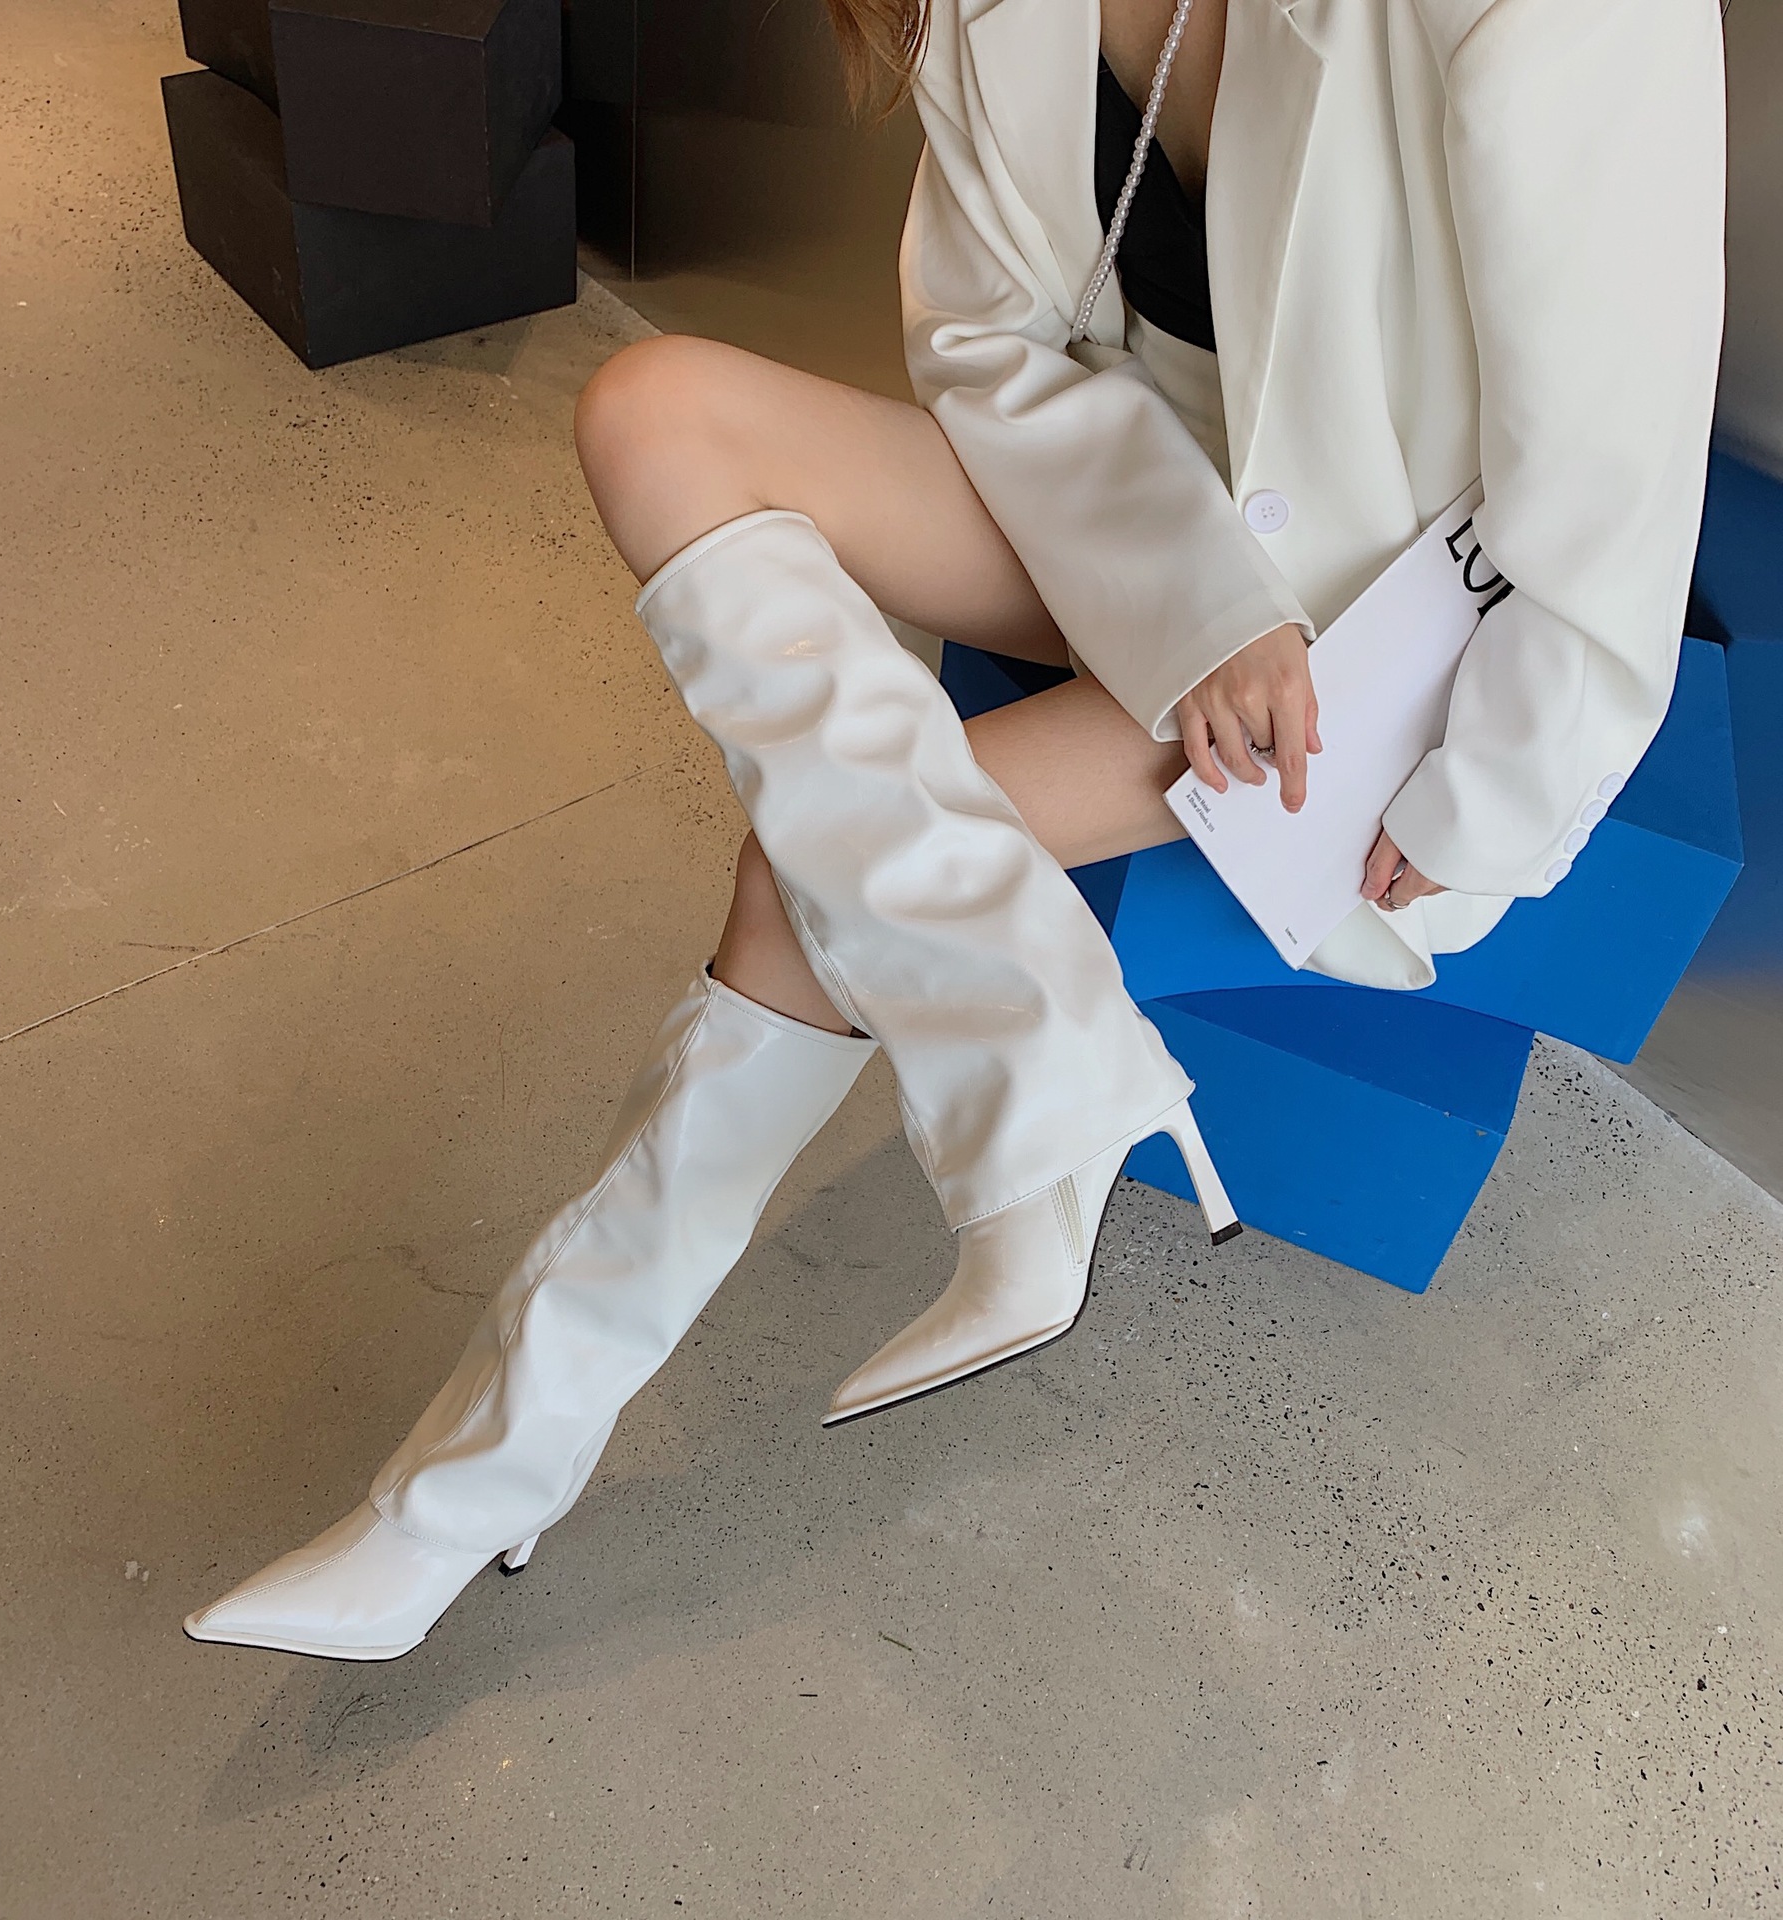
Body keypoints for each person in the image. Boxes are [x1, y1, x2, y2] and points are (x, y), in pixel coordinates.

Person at [183, 0, 1725, 1660]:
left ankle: (471, 1489)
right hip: (1149, 505)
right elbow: (988, 337)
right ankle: (1041, 1075)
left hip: (1382, 616)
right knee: (652, 413)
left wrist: (1487, 802)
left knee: (802, 881)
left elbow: (1614, 458)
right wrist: (1196, 603)